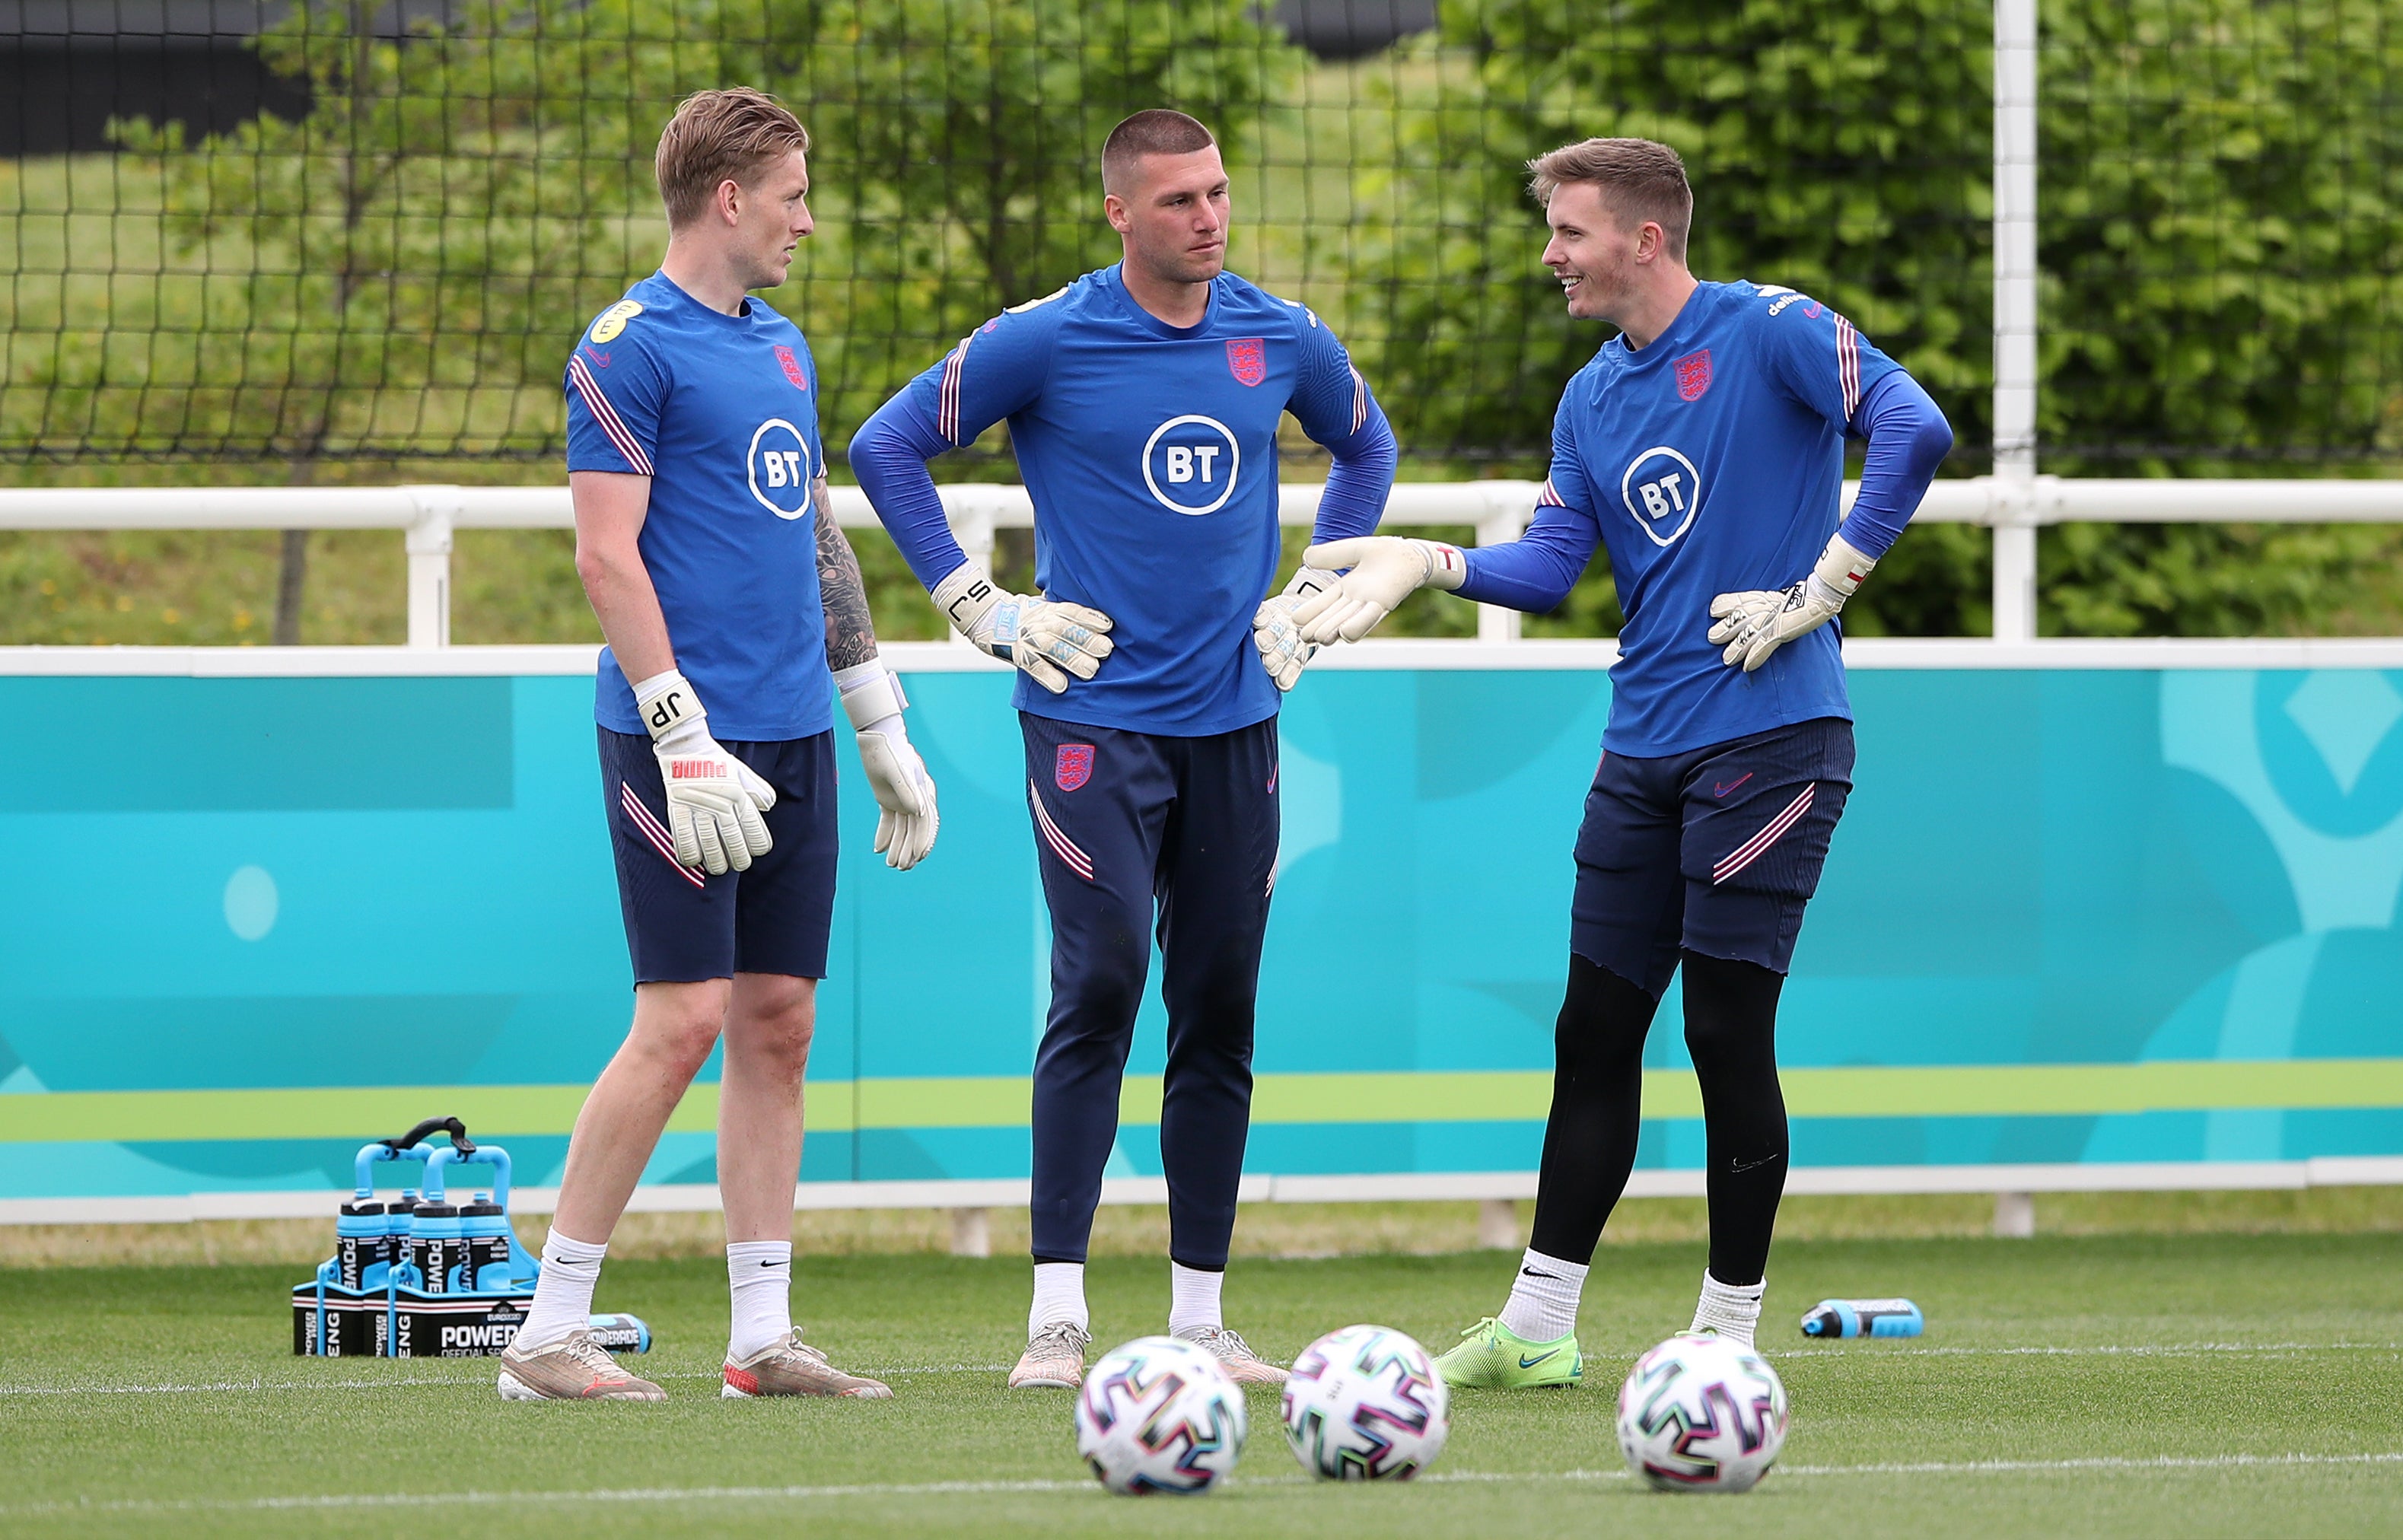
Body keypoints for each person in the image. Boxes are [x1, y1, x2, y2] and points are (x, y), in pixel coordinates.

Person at [1290, 137, 1952, 1385]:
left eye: (1570, 233)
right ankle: (1538, 1331)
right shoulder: (1591, 395)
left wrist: (1822, 587)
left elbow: (1915, 430)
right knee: (1591, 1029)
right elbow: (1547, 570)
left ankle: (1723, 1339)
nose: (1551, 256)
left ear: (1645, 240)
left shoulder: (1772, 329)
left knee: (1721, 1031)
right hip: (1640, 748)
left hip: (1773, 740)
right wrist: (1424, 563)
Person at [848, 109, 1398, 1390]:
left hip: (1237, 726)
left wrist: (1317, 584)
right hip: (1089, 720)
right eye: (1177, 202)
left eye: (1215, 194)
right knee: (1096, 984)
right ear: (1118, 213)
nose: (1207, 217)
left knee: (1217, 1010)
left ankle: (1202, 1318)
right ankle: (1056, 1318)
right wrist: (977, 604)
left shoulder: (1278, 333)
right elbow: (885, 447)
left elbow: (1365, 443)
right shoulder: (1048, 337)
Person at [495, 87, 939, 1403]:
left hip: (795, 728)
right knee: (679, 1018)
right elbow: (602, 552)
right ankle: (544, 1338)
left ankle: (760, 1341)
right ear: (732, 197)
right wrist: (676, 726)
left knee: (778, 1022)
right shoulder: (624, 346)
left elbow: (811, 534)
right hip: (675, 738)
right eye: (794, 194)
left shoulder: (785, 346)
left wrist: (874, 717)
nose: (809, 218)